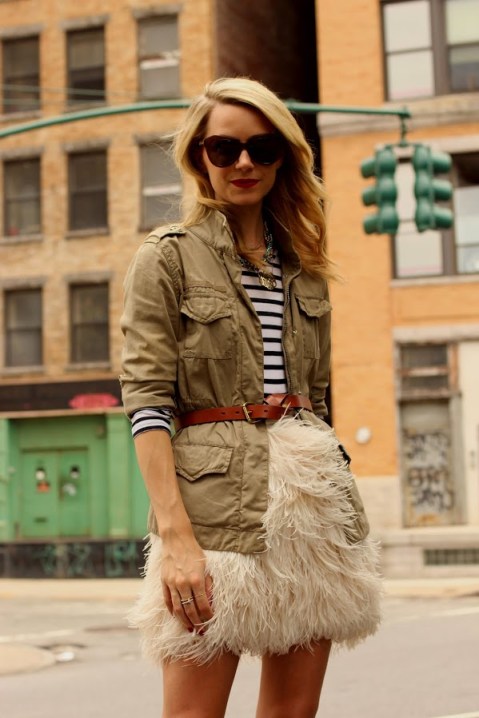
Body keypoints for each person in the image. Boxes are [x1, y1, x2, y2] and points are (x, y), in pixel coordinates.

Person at [120, 76, 381, 718]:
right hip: (213, 512)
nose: (244, 163)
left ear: (283, 158)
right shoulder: (168, 258)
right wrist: (176, 539)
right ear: (199, 156)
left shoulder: (305, 268)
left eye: (263, 148)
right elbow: (148, 402)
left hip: (310, 505)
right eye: (225, 148)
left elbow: (317, 400)